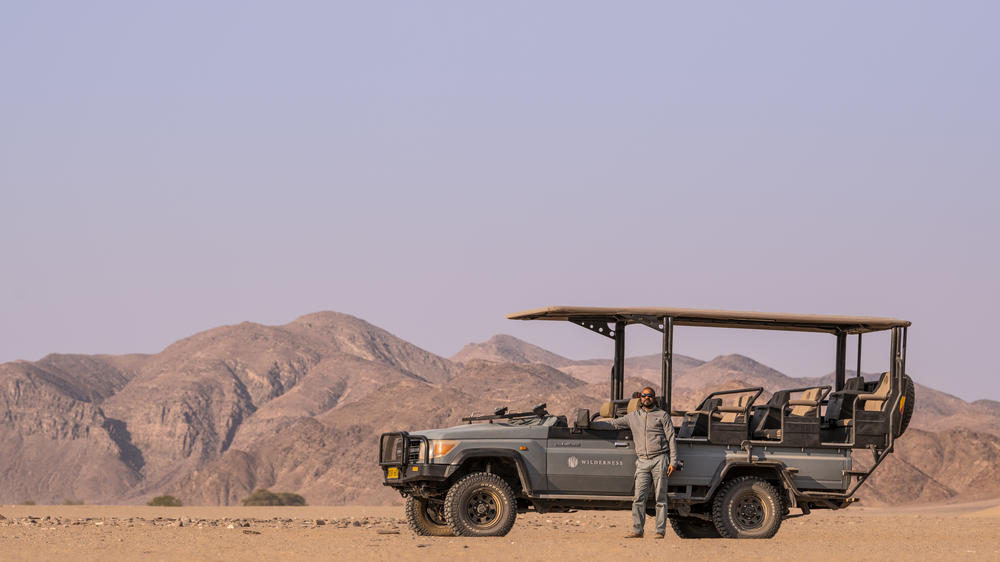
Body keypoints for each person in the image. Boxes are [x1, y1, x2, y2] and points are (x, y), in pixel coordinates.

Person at [593, 386, 677, 539]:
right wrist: (591, 425)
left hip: (660, 459)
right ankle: (637, 530)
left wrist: (673, 462)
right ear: (640, 398)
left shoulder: (662, 415)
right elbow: (613, 424)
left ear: (654, 398)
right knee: (639, 498)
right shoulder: (633, 416)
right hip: (643, 461)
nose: (647, 398)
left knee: (660, 498)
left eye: (650, 396)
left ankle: (660, 531)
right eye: (644, 396)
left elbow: (672, 438)